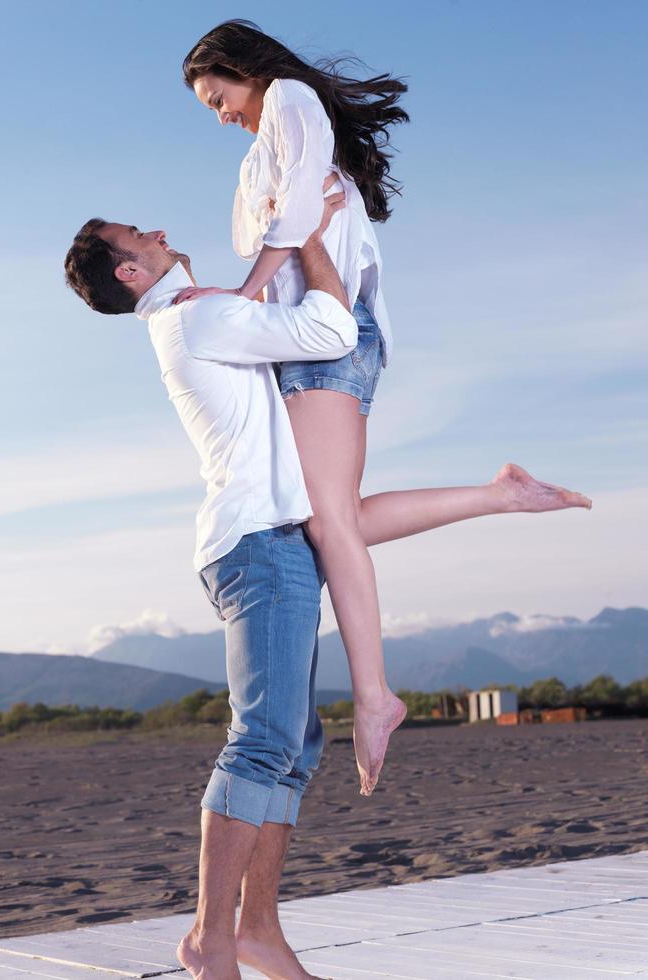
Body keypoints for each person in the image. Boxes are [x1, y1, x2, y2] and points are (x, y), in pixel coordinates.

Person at [179, 20, 592, 795]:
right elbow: (259, 230)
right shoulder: (261, 147)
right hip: (310, 336)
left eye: (216, 96)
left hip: (325, 337)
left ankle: (374, 696)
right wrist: (267, 241)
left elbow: (291, 218)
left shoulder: (291, 98)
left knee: (327, 522)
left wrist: (250, 279)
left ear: (242, 69)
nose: (219, 113)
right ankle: (501, 495)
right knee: (328, 518)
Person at [65, 185, 353, 979]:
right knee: (262, 742)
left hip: (266, 541)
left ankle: (256, 930)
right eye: (139, 234)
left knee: (294, 743)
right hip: (257, 544)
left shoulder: (195, 310)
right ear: (128, 271)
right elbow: (332, 328)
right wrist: (313, 234)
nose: (158, 230)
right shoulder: (193, 316)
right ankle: (209, 937)